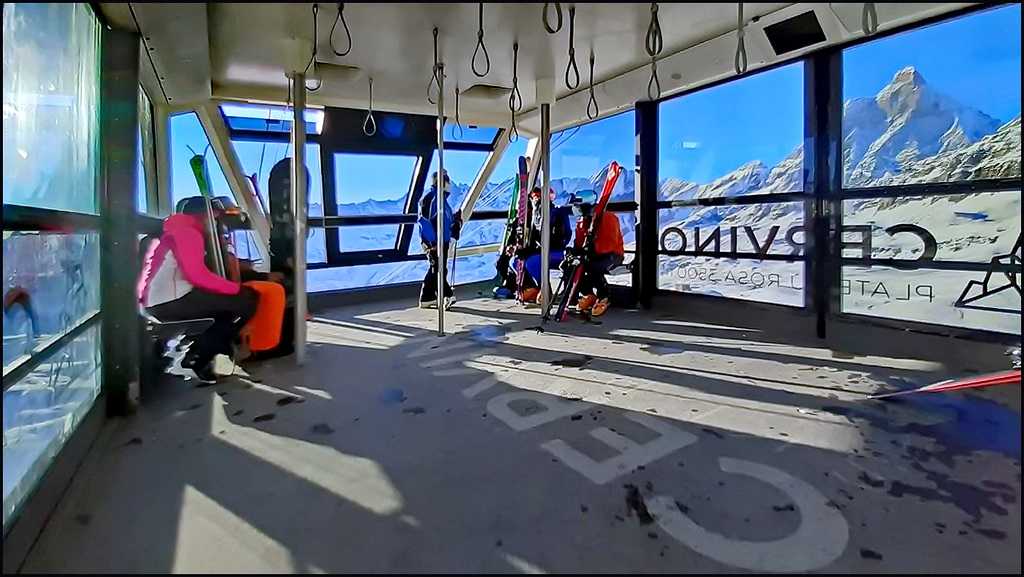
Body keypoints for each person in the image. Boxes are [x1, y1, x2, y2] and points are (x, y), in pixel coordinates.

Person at [138, 201, 258, 384]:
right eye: (216, 218)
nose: (218, 224)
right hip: (170, 301)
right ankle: (195, 358)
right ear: (204, 216)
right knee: (247, 300)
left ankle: (209, 348)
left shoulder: (173, 230)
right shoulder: (187, 233)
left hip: (157, 299)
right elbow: (197, 276)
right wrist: (235, 289)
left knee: (229, 304)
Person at [566, 189, 624, 317]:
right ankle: (588, 293)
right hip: (593, 254)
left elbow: (611, 242)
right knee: (570, 267)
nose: (576, 209)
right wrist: (574, 251)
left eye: (578, 205)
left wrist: (591, 249)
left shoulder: (608, 217)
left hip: (612, 254)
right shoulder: (582, 222)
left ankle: (604, 296)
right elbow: (579, 243)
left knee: (593, 267)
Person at [517, 187, 573, 304]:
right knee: (517, 261)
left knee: (533, 262)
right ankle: (534, 287)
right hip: (542, 251)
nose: (535, 201)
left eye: (538, 198)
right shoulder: (534, 217)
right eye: (534, 198)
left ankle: (545, 288)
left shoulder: (557, 214)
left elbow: (563, 237)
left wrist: (542, 248)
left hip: (556, 253)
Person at [418, 169, 462, 309]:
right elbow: (424, 220)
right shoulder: (431, 199)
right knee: (438, 269)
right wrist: (432, 243)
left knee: (437, 268)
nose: (449, 182)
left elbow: (445, 221)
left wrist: (456, 222)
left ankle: (427, 297)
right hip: (434, 242)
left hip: (442, 241)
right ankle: (446, 295)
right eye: (447, 179)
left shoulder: (443, 201)